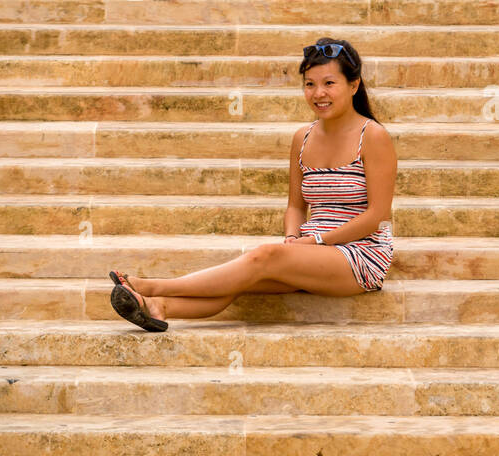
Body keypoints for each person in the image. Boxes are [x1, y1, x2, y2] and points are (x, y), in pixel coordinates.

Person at [108, 37, 396, 331]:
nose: (318, 93)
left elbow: (377, 216)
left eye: (329, 83)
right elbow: (295, 206)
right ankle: (158, 307)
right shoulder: (303, 138)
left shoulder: (372, 136)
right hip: (310, 248)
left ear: (354, 85)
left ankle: (154, 286)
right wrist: (292, 237)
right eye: (310, 84)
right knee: (242, 278)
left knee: (263, 256)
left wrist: (315, 242)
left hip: (360, 254)